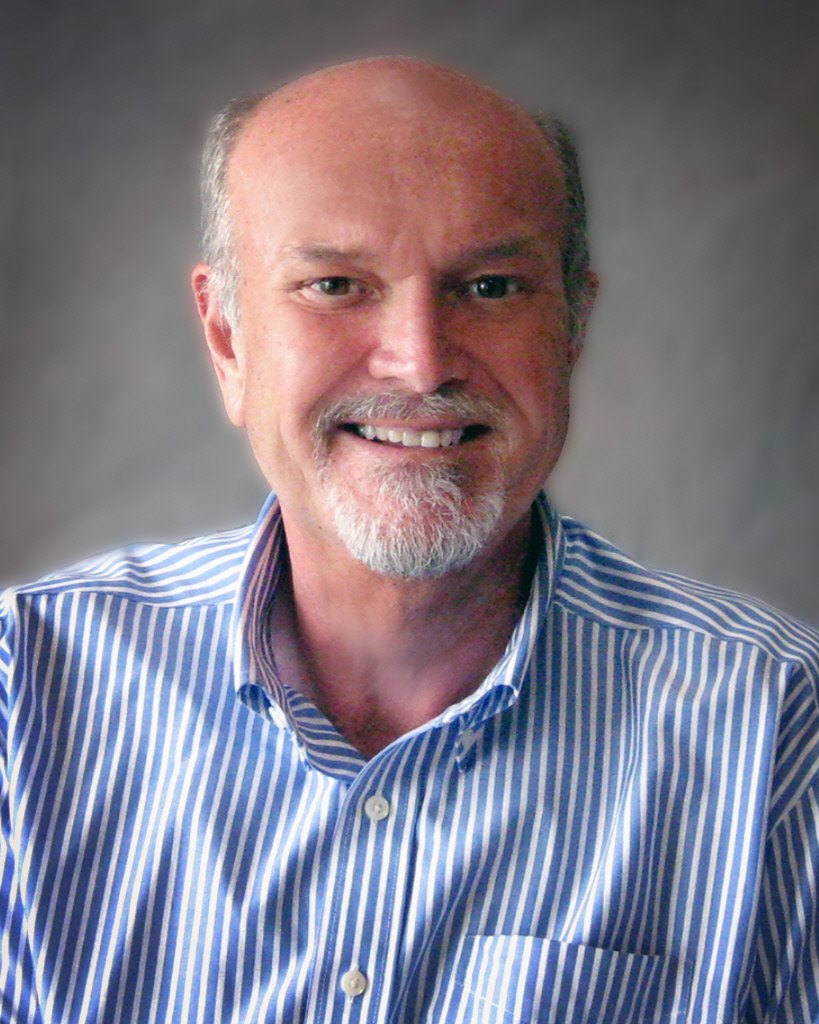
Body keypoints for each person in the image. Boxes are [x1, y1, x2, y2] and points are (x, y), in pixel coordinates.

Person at [1, 56, 817, 1024]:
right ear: (227, 338)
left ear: (572, 328)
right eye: (335, 284)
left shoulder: (774, 727)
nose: (421, 363)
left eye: (492, 287)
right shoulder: (24, 692)